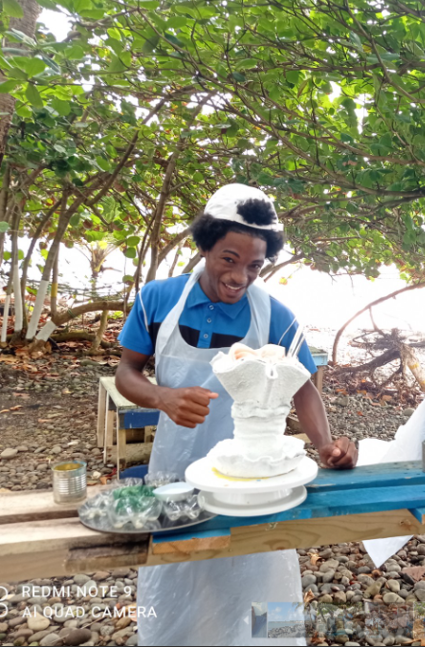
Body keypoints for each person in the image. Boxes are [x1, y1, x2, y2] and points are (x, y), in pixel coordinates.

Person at [114, 183, 358, 646]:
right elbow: (127, 371)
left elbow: (303, 386)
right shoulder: (158, 299)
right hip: (176, 467)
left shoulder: (275, 316)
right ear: (205, 246)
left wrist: (325, 445)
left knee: (256, 579)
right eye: (229, 259)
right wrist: (162, 397)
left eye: (254, 266)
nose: (240, 276)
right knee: (176, 574)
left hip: (256, 479)